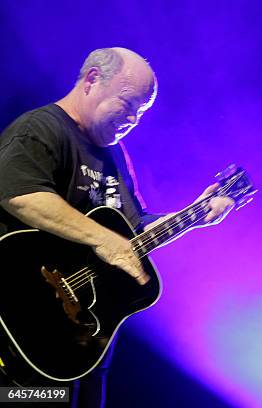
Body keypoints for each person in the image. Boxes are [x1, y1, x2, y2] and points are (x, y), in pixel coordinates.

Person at [0, 47, 234, 407]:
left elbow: (133, 228)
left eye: (141, 112)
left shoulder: (115, 155)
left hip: (84, 339)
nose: (133, 119)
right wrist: (103, 240)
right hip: (24, 319)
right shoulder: (40, 129)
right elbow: (19, 194)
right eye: (127, 105)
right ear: (93, 80)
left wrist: (194, 215)